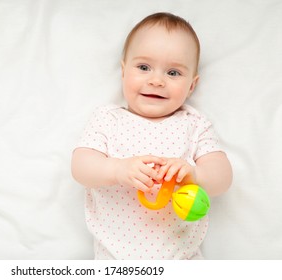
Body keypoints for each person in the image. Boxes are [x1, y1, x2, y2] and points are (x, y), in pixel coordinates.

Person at [71, 12, 232, 259]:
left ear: (192, 85)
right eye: (144, 67)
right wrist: (116, 169)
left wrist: (195, 174)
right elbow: (80, 167)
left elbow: (223, 179)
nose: (156, 80)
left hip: (181, 257)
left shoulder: (194, 124)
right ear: (124, 72)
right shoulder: (108, 119)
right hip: (115, 258)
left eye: (173, 73)